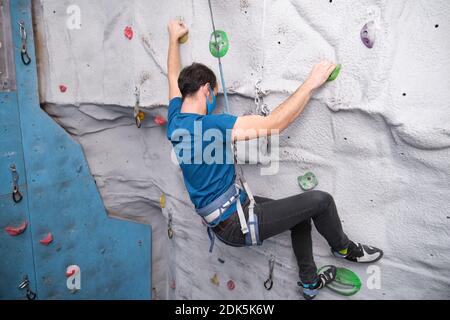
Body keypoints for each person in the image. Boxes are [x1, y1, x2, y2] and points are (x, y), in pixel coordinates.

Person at [166, 20, 383, 300]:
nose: (214, 100)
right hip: (235, 222)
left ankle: (309, 283)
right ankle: (343, 248)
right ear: (206, 89)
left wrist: (173, 38)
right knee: (321, 201)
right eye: (215, 94)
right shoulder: (210, 126)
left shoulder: (175, 122)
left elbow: (172, 77)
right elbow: (274, 124)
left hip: (228, 217)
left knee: (300, 219)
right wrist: (311, 83)